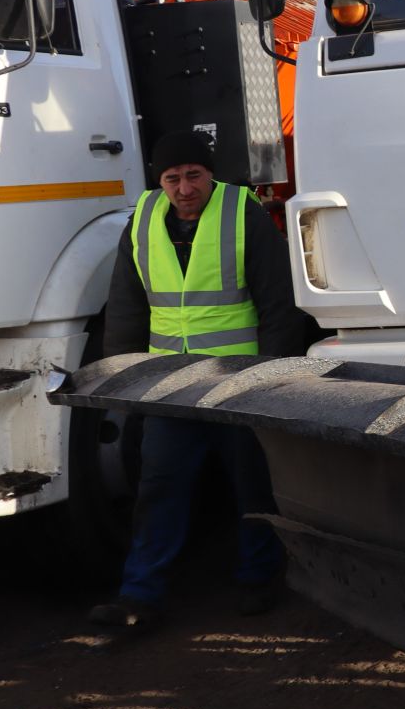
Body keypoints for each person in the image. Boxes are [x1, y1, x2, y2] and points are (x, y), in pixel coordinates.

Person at [88, 129, 309, 634]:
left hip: (237, 381)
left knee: (250, 482)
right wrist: (123, 378)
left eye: (194, 176)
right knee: (159, 486)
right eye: (173, 178)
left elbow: (278, 302)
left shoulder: (241, 213)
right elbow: (126, 304)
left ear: (210, 175)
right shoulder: (142, 221)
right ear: (159, 181)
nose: (184, 188)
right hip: (171, 386)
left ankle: (259, 578)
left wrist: (273, 376)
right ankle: (139, 595)